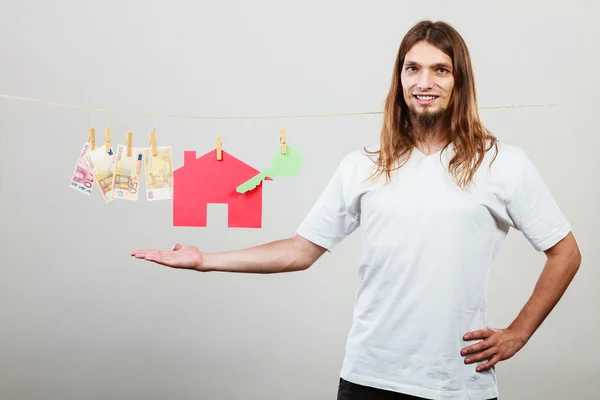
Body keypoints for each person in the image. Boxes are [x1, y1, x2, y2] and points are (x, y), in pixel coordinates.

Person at [131, 20, 582, 400]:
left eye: (440, 70)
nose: (424, 83)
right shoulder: (363, 166)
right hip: (369, 377)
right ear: (399, 78)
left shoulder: (501, 163)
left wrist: (518, 332)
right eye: (413, 69)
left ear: (459, 80)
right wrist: (205, 260)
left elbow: (566, 252)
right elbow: (299, 250)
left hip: (456, 383)